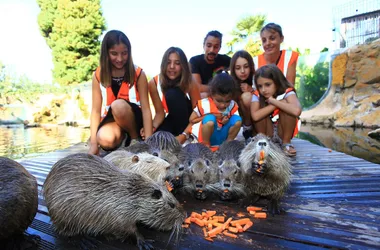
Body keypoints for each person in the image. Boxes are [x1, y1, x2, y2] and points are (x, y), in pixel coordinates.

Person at [88, 30, 152, 155]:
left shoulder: (139, 74)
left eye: (124, 53)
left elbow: (146, 109)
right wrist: (94, 144)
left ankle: (135, 140)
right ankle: (123, 139)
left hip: (133, 116)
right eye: (114, 54)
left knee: (118, 105)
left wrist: (149, 142)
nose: (120, 58)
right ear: (106, 53)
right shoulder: (98, 75)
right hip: (113, 119)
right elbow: (95, 111)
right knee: (105, 139)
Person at [147, 47, 201, 144]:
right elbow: (160, 113)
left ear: (183, 66)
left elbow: (199, 112)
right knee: (157, 140)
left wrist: (184, 134)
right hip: (171, 118)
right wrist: (152, 128)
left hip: (189, 121)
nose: (172, 66)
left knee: (172, 94)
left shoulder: (190, 81)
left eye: (177, 63)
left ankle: (186, 139)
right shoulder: (153, 83)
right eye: (168, 62)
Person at [251, 64, 302, 156]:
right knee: (260, 113)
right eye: (260, 86)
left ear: (277, 82)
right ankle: (263, 143)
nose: (263, 90)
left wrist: (274, 101)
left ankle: (286, 143)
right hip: (266, 131)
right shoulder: (257, 95)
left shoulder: (287, 92)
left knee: (288, 109)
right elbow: (255, 116)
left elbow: (296, 111)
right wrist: (275, 104)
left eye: (267, 85)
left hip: (282, 132)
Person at [189, 73, 242, 151]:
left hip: (222, 136)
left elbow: (233, 122)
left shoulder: (232, 105)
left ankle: (228, 144)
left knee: (237, 119)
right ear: (212, 94)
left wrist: (226, 120)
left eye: (227, 101)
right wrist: (211, 115)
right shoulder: (205, 104)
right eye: (219, 100)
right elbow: (192, 120)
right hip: (208, 136)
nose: (223, 105)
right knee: (210, 119)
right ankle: (206, 146)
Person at [189, 30, 231, 98]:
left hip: (223, 97)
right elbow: (197, 87)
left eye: (216, 47)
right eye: (209, 46)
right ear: (204, 45)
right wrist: (220, 89)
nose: (212, 50)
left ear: (220, 47)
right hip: (206, 97)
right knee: (203, 95)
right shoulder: (195, 61)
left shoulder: (226, 60)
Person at [230, 50, 256, 141]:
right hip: (237, 121)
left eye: (246, 67)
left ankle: (250, 129)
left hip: (258, 120)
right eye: (238, 68)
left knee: (247, 97)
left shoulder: (257, 78)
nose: (242, 71)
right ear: (233, 69)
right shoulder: (230, 83)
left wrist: (252, 91)